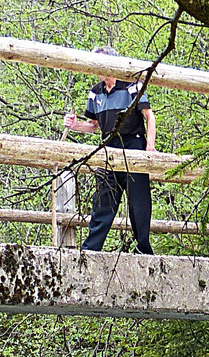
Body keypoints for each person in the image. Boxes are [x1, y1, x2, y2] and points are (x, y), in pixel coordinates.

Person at [61, 46, 156, 254]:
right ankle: (91, 249)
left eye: (101, 63)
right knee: (104, 199)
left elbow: (149, 116)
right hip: (108, 146)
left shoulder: (132, 85)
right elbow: (94, 125)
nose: (97, 69)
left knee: (138, 200)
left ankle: (143, 249)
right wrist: (75, 125)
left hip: (133, 143)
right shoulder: (95, 92)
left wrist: (150, 147)